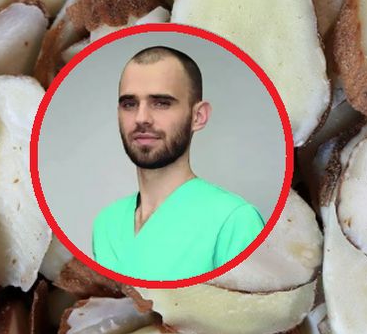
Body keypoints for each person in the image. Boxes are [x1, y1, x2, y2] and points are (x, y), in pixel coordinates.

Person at [91, 46, 264, 281]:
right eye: (129, 104)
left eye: (161, 103)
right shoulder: (106, 223)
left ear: (198, 116)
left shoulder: (236, 221)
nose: (141, 118)